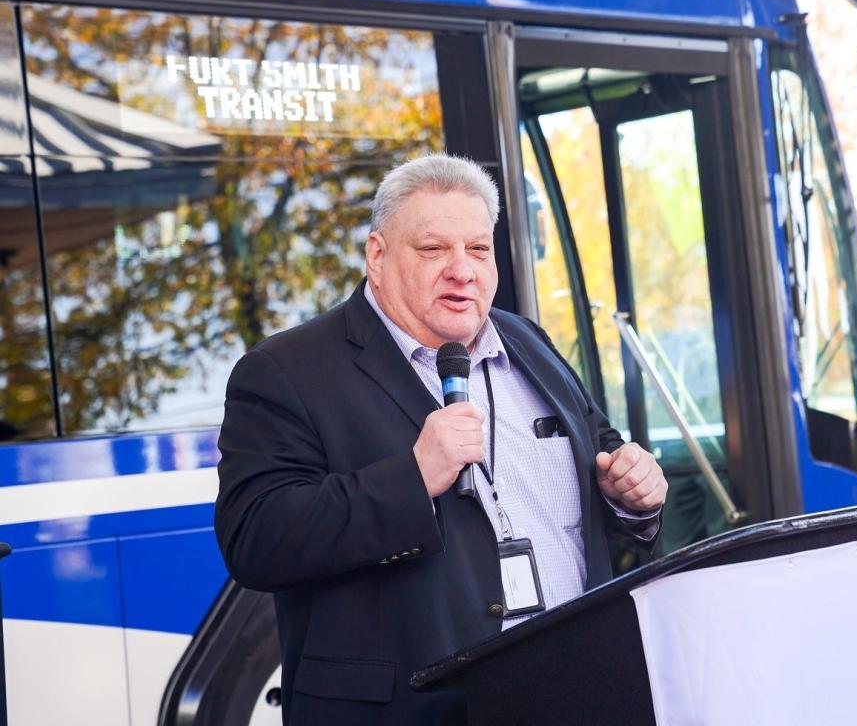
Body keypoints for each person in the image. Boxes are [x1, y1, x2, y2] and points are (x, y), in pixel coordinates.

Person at [215, 154, 668, 725]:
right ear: (377, 257)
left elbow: (606, 462)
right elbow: (257, 540)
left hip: (575, 690)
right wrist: (412, 478)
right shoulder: (285, 370)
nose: (462, 270)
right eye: (433, 250)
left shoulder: (529, 342)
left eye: (478, 249)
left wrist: (632, 497)